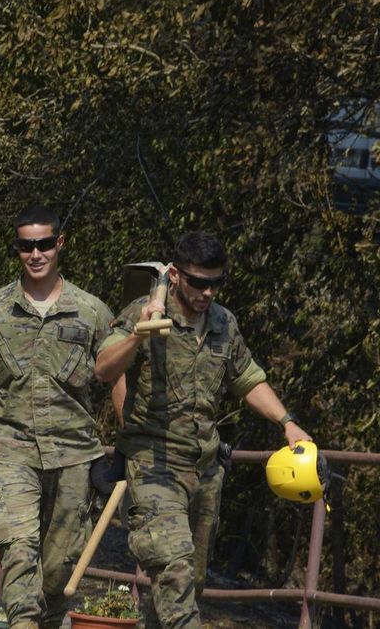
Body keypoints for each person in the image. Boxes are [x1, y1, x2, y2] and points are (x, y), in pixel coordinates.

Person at [93, 231, 313, 629]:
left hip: (205, 470)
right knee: (174, 569)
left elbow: (247, 378)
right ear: (174, 276)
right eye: (198, 282)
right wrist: (138, 334)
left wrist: (288, 422)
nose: (207, 292)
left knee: (186, 585)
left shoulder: (223, 323)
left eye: (216, 282)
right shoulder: (143, 311)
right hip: (153, 464)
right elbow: (104, 369)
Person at [0, 205, 113, 629]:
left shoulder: (91, 311)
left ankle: (43, 621)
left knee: (59, 564)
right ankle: (23, 623)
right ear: (17, 249)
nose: (36, 254)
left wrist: (126, 448)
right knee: (18, 543)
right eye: (27, 246)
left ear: (59, 244)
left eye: (44, 244)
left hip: (73, 455)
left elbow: (114, 376)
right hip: (11, 449)